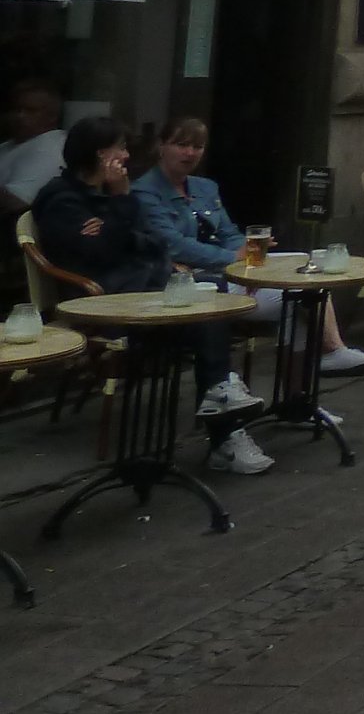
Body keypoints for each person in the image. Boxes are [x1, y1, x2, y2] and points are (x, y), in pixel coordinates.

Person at [38, 115, 274, 473]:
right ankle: (224, 430)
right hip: (105, 304)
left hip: (143, 290)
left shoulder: (104, 196)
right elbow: (100, 252)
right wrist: (119, 207)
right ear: (102, 155)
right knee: (207, 311)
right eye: (120, 148)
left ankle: (223, 419)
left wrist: (115, 223)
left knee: (209, 308)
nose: (127, 156)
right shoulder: (62, 199)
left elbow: (144, 241)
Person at [136, 119, 364, 374]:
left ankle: (300, 393)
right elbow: (173, 244)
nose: (190, 153)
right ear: (161, 146)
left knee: (304, 266)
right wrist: (233, 259)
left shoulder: (205, 187)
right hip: (191, 283)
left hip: (229, 272)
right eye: (181, 144)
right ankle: (331, 352)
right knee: (301, 293)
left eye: (197, 146)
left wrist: (249, 254)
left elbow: (228, 232)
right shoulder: (145, 192)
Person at [0, 77, 67, 226]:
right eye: (16, 109)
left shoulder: (51, 146)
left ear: (52, 117)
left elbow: (17, 204)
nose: (20, 116)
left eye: (30, 111)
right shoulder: (9, 145)